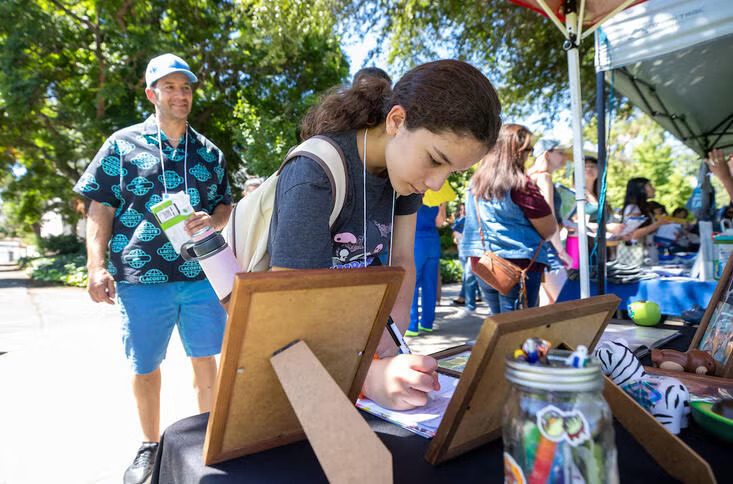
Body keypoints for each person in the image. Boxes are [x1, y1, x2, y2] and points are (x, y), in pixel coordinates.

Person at [268, 59, 502, 410]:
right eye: (436, 159)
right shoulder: (313, 171)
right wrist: (366, 376)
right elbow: (288, 310)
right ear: (396, 121)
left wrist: (391, 335)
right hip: (289, 363)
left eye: (452, 171)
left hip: (346, 350)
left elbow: (403, 259)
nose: (436, 183)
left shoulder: (405, 178)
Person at [74, 53, 232, 484]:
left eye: (186, 88)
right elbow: (99, 208)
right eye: (170, 87)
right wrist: (95, 266)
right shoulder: (122, 145)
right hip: (142, 278)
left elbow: (224, 203)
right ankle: (149, 445)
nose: (180, 95)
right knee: (145, 365)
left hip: (201, 276)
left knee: (206, 359)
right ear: (152, 93)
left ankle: (208, 443)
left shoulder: (209, 151)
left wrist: (213, 220)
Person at [460, 124, 556, 313]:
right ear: (515, 151)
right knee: (518, 330)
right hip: (518, 265)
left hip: (484, 262)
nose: (530, 154)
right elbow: (549, 229)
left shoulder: (475, 182)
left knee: (498, 322)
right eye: (528, 149)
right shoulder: (520, 184)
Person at [527, 138, 573, 305]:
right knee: (567, 304)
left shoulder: (528, 177)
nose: (565, 157)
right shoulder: (544, 178)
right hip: (547, 248)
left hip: (534, 248)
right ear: (547, 154)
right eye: (560, 152)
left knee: (548, 306)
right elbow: (548, 219)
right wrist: (562, 252)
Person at [407, 202, 446, 336]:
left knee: (412, 284)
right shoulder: (437, 198)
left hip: (417, 242)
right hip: (433, 243)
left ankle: (412, 325)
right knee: (430, 285)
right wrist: (443, 205)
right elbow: (440, 222)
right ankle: (427, 323)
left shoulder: (413, 194)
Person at [620, 177, 672, 265]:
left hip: (648, 254)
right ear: (640, 189)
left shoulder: (645, 208)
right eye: (650, 185)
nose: (653, 189)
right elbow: (633, 234)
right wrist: (658, 223)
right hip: (638, 256)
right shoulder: (633, 208)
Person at [450, 203, 480, 308]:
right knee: (468, 274)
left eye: (464, 209)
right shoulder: (458, 220)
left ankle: (464, 298)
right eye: (461, 209)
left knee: (467, 275)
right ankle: (476, 294)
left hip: (468, 249)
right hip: (461, 249)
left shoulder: (468, 220)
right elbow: (455, 232)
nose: (462, 211)